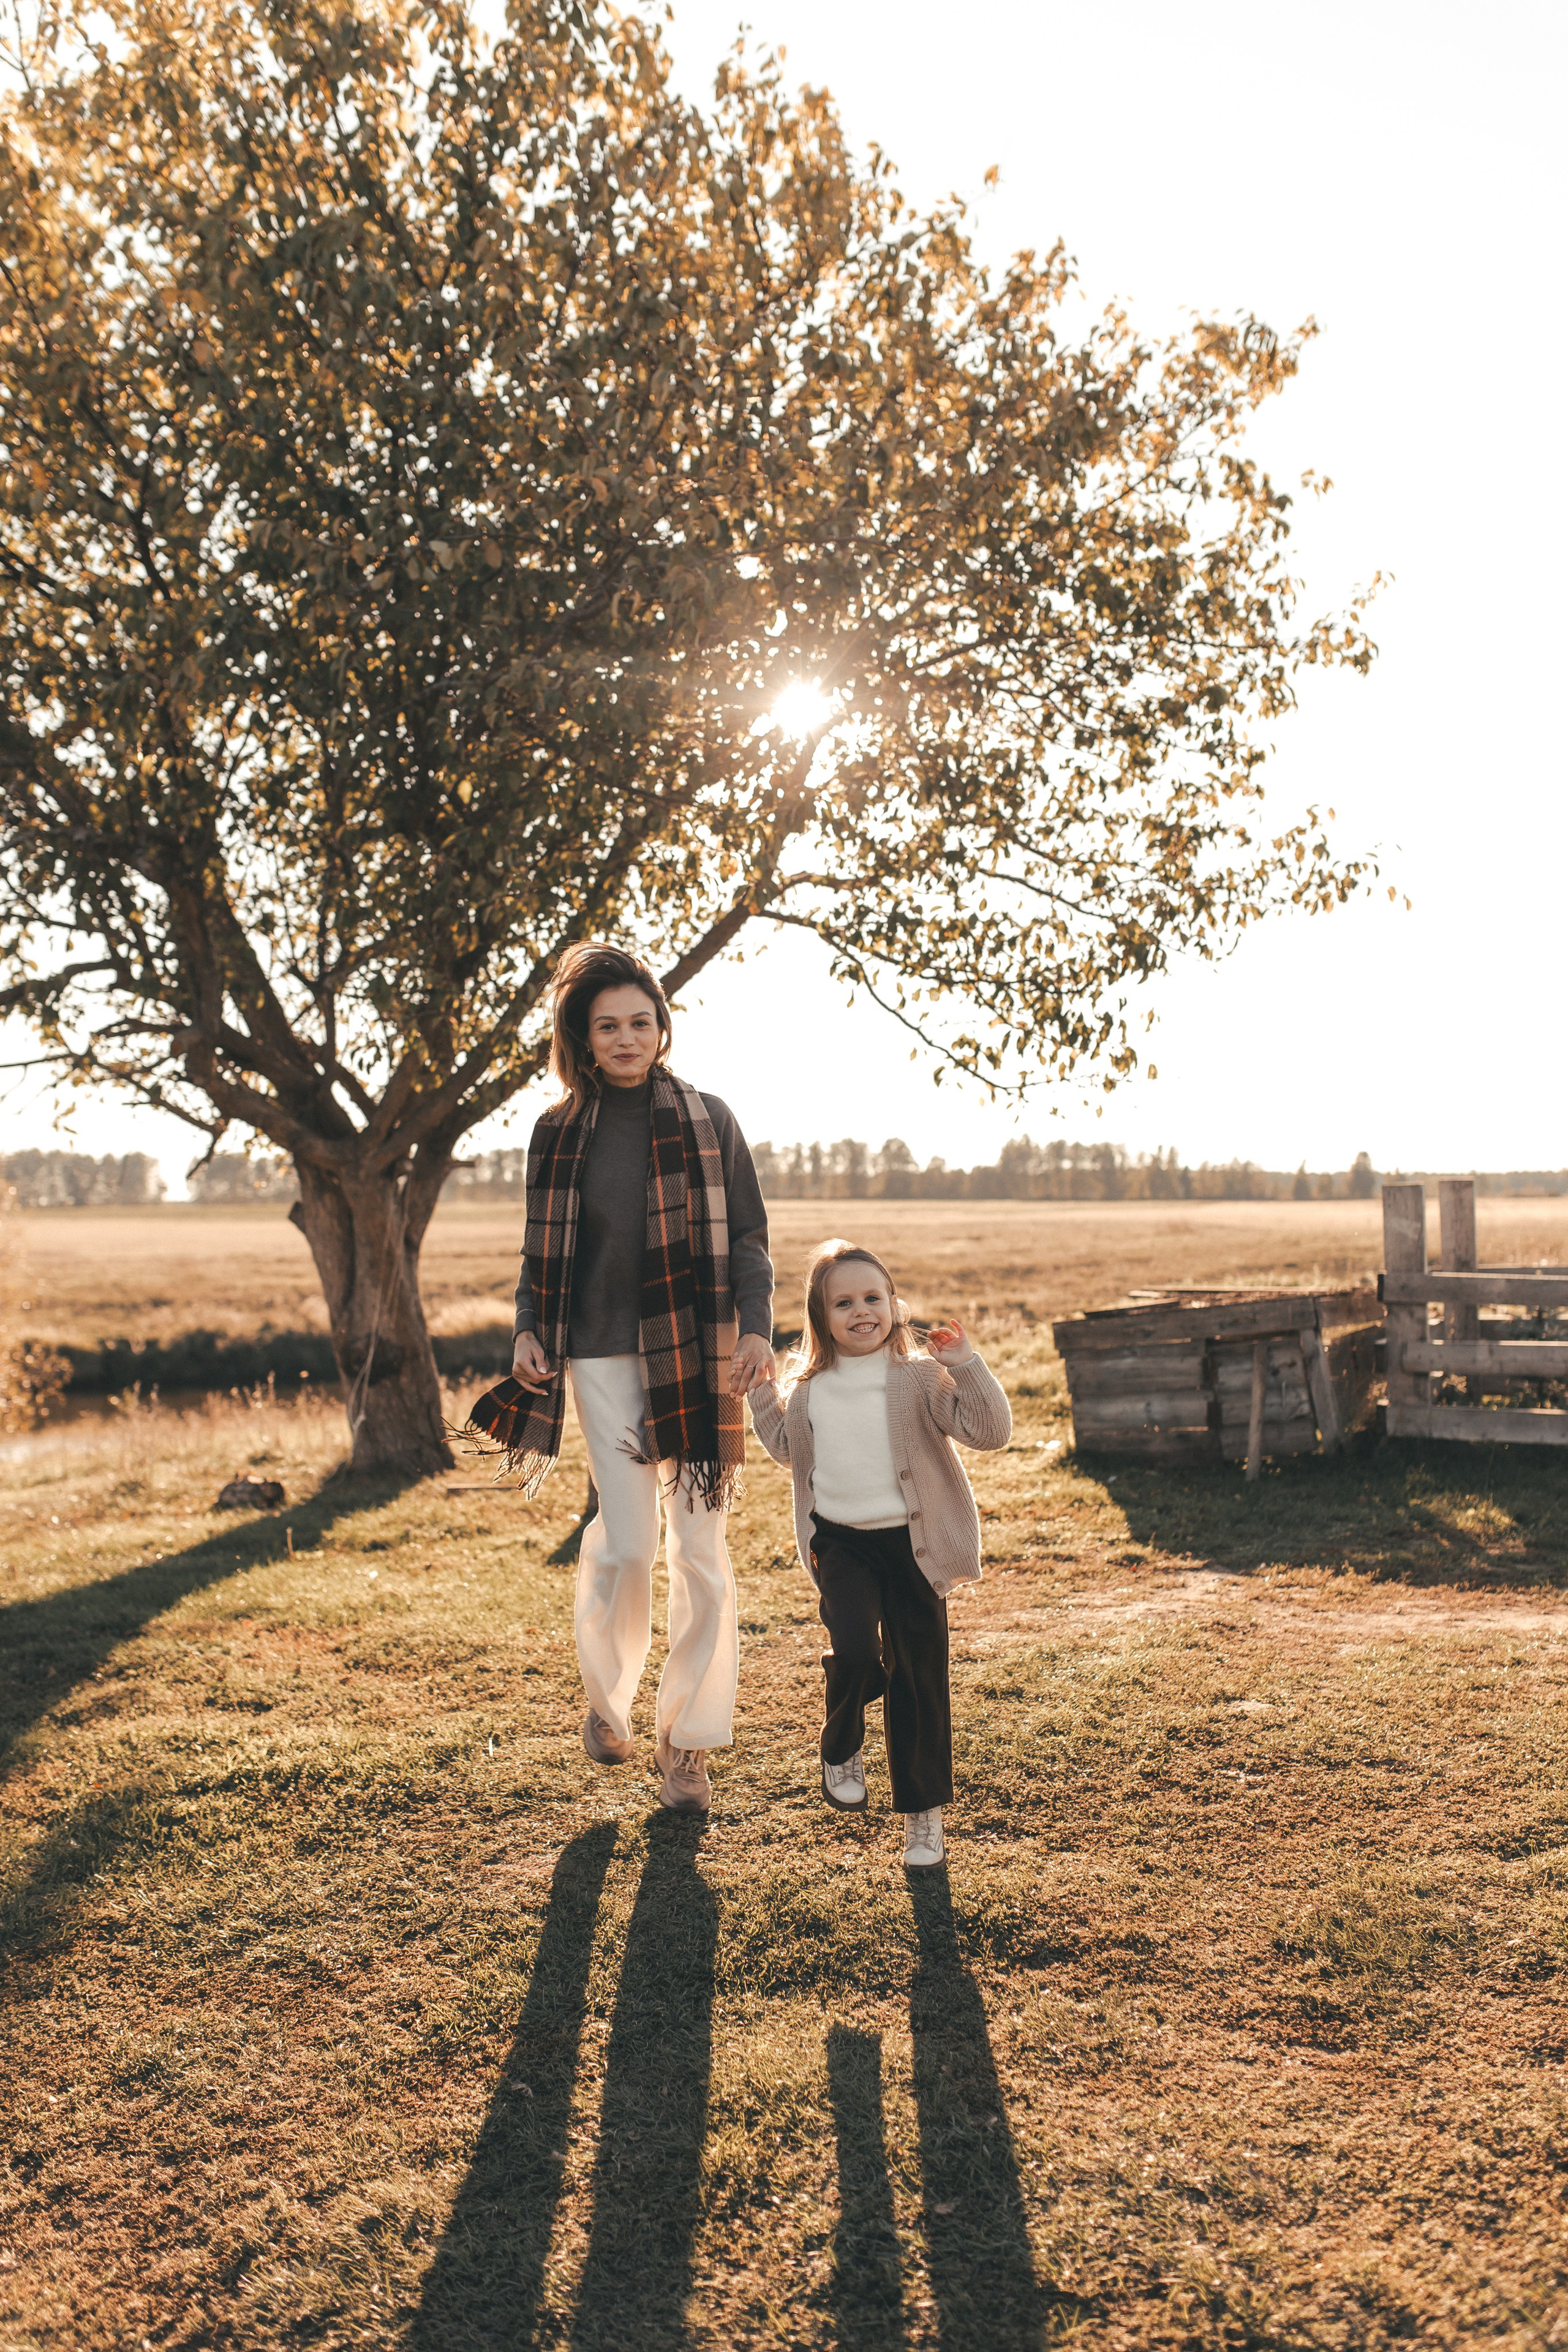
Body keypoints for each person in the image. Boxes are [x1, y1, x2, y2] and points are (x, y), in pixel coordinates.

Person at [502, 943, 774, 1817]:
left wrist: (758, 1329)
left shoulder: (709, 1118)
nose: (627, 1038)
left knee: (700, 1550)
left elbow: (750, 1242)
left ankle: (687, 1743)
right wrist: (526, 1329)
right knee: (625, 1545)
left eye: (640, 1021)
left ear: (663, 1026)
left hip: (699, 1356)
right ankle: (607, 1702)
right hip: (601, 1358)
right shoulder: (556, 1130)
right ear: (582, 1039)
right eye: (607, 1025)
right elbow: (538, 1252)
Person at [747, 1239, 1011, 1870]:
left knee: (919, 1681)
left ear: (894, 1305)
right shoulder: (809, 1389)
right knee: (859, 1651)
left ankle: (923, 1819)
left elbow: (990, 1433)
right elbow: (788, 1448)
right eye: (843, 1302)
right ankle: (841, 1743)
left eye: (873, 1297)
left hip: (912, 1550)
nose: (861, 1311)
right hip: (840, 1546)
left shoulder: (919, 1377)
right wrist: (759, 1394)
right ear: (820, 1317)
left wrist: (967, 1364)